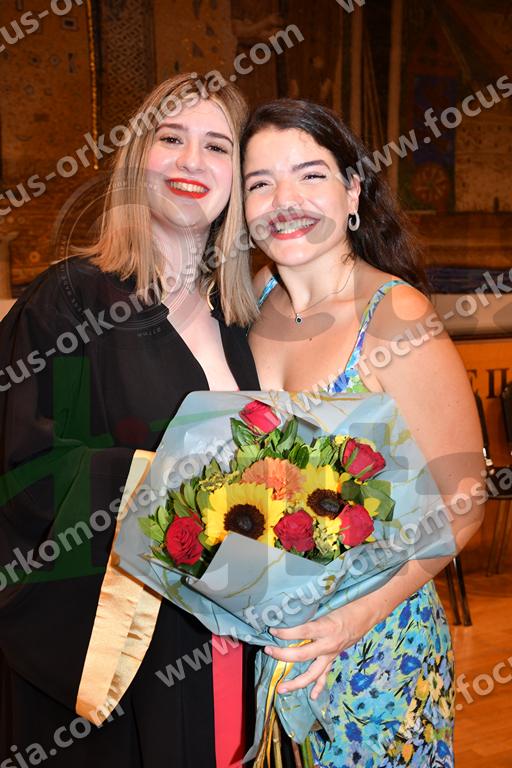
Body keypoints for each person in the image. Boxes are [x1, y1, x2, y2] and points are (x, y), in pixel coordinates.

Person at [0, 74, 260, 768]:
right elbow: (30, 470)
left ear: (238, 179)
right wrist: (176, 480)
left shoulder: (241, 322)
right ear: (136, 159)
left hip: (227, 636)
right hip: (115, 647)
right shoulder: (71, 303)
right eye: (170, 138)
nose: (190, 161)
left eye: (217, 146)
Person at [241, 99, 484, 767]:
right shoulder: (254, 296)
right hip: (272, 641)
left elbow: (465, 505)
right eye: (261, 182)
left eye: (310, 175)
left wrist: (352, 620)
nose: (284, 201)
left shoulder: (395, 316)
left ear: (351, 191)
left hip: (376, 649)